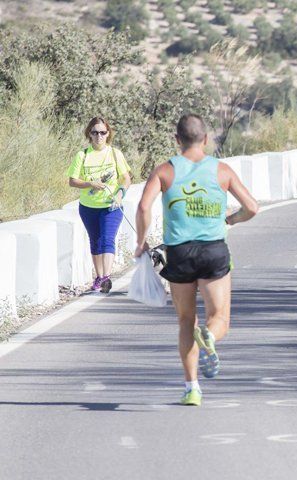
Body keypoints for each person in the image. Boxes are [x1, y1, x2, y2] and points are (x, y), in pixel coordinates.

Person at [135, 114, 258, 407]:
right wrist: (230, 219)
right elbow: (252, 207)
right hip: (213, 250)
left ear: (177, 140)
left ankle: (192, 388)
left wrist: (141, 243)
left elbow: (142, 207)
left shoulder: (164, 171)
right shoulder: (222, 170)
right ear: (205, 139)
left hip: (179, 253)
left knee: (185, 321)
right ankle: (211, 337)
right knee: (220, 318)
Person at [66, 117, 133, 293]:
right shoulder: (82, 155)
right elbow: (72, 181)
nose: (99, 136)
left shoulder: (115, 154)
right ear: (89, 134)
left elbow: (126, 178)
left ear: (108, 133)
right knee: (95, 242)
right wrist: (90, 184)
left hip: (111, 205)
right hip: (88, 207)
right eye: (95, 132)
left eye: (103, 132)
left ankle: (106, 278)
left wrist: (120, 193)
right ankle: (99, 276)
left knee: (107, 240)